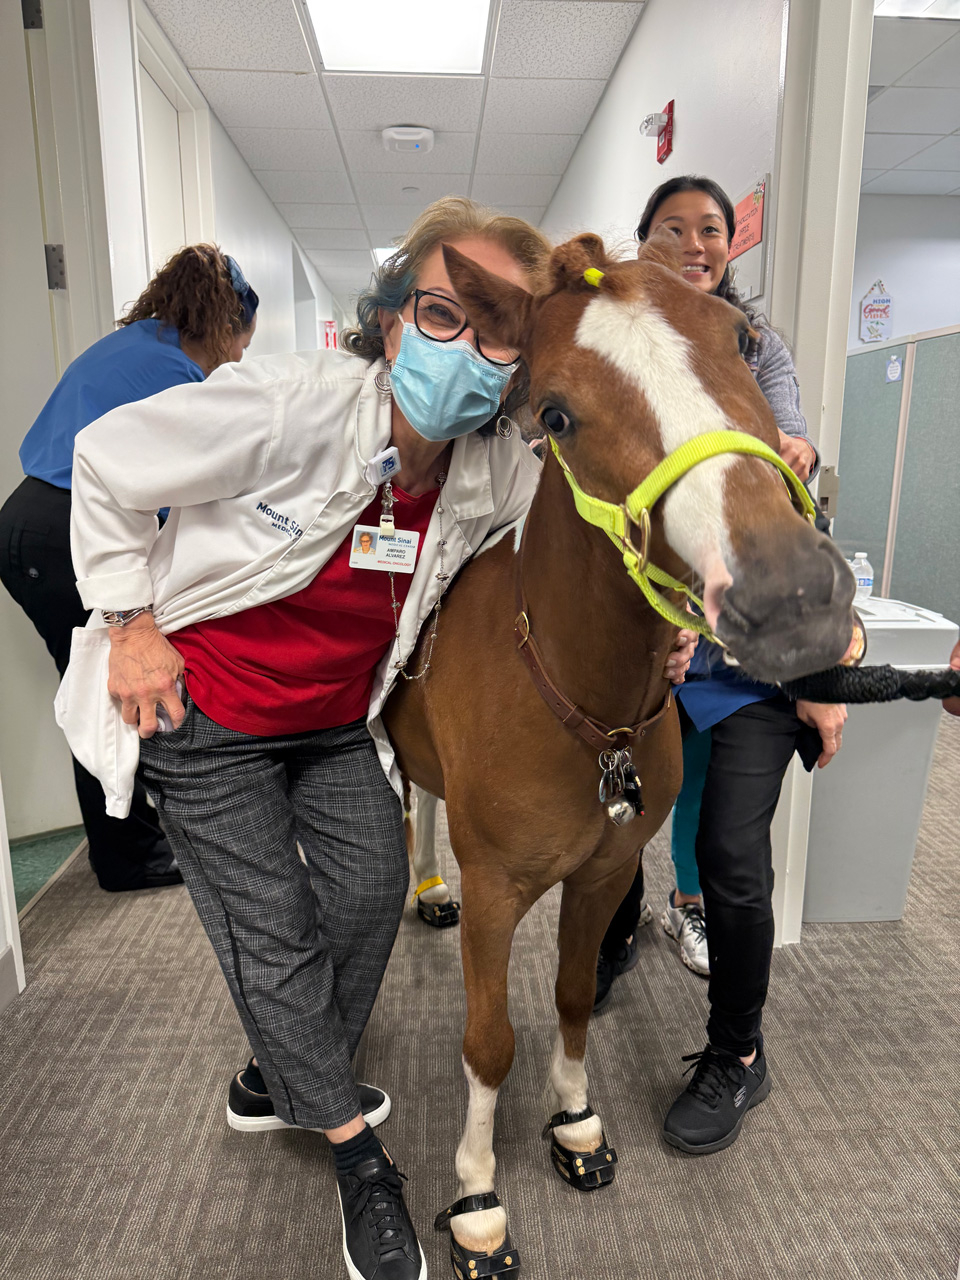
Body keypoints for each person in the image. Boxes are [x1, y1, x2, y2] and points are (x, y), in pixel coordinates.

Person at [59, 197, 552, 1280]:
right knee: (273, 928)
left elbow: (593, 511)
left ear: (522, 359)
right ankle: (359, 1158)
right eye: (440, 312)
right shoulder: (290, 403)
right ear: (389, 321)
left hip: (332, 722)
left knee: (373, 890)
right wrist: (131, 625)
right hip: (206, 714)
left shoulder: (495, 467)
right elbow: (101, 460)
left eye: (498, 329)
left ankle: (276, 1075)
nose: (463, 349)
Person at [594, 175, 847, 1158]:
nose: (695, 243)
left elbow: (792, 478)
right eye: (672, 229)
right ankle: (614, 936)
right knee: (614, 824)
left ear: (729, 247)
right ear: (642, 241)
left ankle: (738, 1054)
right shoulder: (618, 343)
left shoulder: (755, 345)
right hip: (647, 642)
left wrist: (820, 681)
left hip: (746, 651)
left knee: (733, 859)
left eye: (711, 229)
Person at [0, 245, 258, 892]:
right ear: (226, 323)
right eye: (242, 343)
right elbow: (195, 495)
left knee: (101, 683)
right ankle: (125, 858)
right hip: (60, 530)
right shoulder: (172, 372)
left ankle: (132, 840)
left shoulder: (136, 344)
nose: (240, 359)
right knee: (111, 686)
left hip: (32, 518)